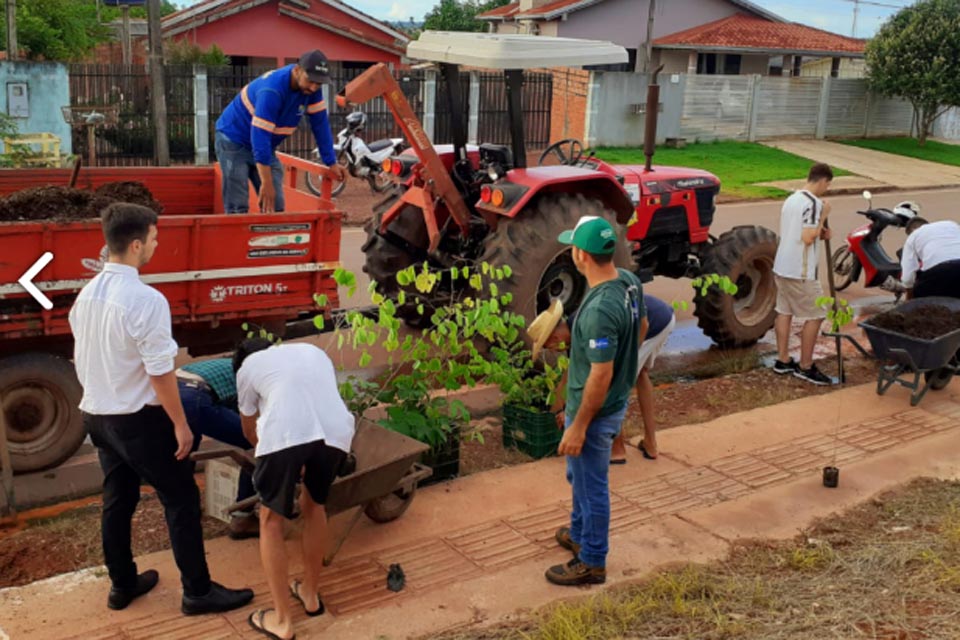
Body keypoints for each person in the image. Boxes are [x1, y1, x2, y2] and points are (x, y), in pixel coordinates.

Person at [68, 203, 254, 615]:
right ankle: (198, 592)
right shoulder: (145, 299)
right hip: (138, 420)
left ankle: (122, 584)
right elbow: (160, 372)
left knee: (118, 500)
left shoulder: (86, 295)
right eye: (153, 239)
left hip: (97, 416)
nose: (155, 245)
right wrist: (180, 425)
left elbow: (89, 358)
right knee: (181, 498)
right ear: (135, 245)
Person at [543, 216, 645, 587]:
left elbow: (599, 375)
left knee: (591, 484)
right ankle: (578, 532)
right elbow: (642, 327)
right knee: (580, 476)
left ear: (580, 254)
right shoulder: (628, 281)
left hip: (597, 411)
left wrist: (579, 426)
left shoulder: (600, 310)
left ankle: (592, 560)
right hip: (612, 403)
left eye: (573, 245)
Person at [234, 339, 356, 640]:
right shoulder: (312, 351)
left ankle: (282, 621)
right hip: (337, 431)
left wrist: (276, 459)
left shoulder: (247, 368)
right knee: (315, 507)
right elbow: (315, 403)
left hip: (286, 433)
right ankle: (311, 596)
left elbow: (250, 431)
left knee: (270, 520)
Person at [215, 49, 347, 213]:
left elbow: (320, 124)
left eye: (319, 83)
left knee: (275, 204)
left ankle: (267, 237)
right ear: (297, 70)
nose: (314, 87)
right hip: (233, 140)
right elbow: (260, 135)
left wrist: (331, 162)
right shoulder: (272, 90)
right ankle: (237, 237)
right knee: (238, 205)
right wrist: (266, 181)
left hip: (264, 144)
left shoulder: (311, 90)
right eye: (311, 80)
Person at [176, 357, 258, 539]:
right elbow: (250, 420)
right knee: (257, 443)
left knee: (184, 454)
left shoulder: (230, 365)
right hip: (196, 396)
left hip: (172, 395)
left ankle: (184, 515)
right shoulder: (254, 373)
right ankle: (243, 518)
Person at [772, 162, 834, 385]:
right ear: (824, 180)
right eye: (827, 185)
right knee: (816, 314)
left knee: (784, 311)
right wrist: (824, 216)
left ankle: (782, 359)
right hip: (801, 270)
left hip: (782, 265)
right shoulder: (814, 204)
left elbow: (802, 232)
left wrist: (821, 232)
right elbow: (808, 238)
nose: (826, 189)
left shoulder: (792, 199)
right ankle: (805, 366)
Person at [612, 294, 675, 462]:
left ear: (555, 337)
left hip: (650, 325)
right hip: (663, 317)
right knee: (641, 374)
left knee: (616, 384)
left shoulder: (581, 327)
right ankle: (650, 443)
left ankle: (617, 450)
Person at [899, 218, 960, 299]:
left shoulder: (913, 237)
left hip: (940, 272)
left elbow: (908, 277)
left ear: (911, 231)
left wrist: (909, 299)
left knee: (921, 297)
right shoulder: (951, 224)